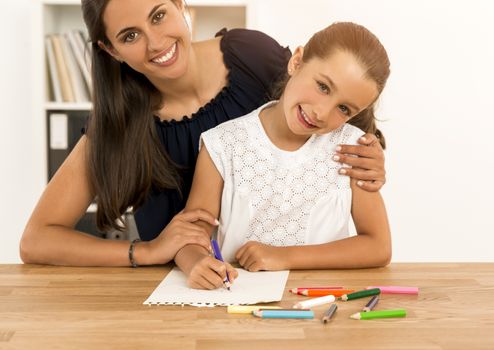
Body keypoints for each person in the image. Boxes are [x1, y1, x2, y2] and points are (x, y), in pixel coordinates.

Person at [20, 0, 386, 267]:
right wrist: (143, 251)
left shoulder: (251, 55)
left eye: (159, 15)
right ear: (111, 50)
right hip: (188, 291)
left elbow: (336, 108)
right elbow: (37, 240)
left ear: (180, 5)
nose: (156, 43)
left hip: (287, 281)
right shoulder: (118, 124)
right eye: (130, 35)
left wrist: (373, 155)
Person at [176, 22, 392, 290]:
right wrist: (196, 263)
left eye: (344, 108)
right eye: (323, 87)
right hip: (237, 311)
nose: (322, 113)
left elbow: (378, 246)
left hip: (321, 308)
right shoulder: (223, 144)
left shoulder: (351, 150)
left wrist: (283, 256)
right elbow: (189, 237)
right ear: (297, 62)